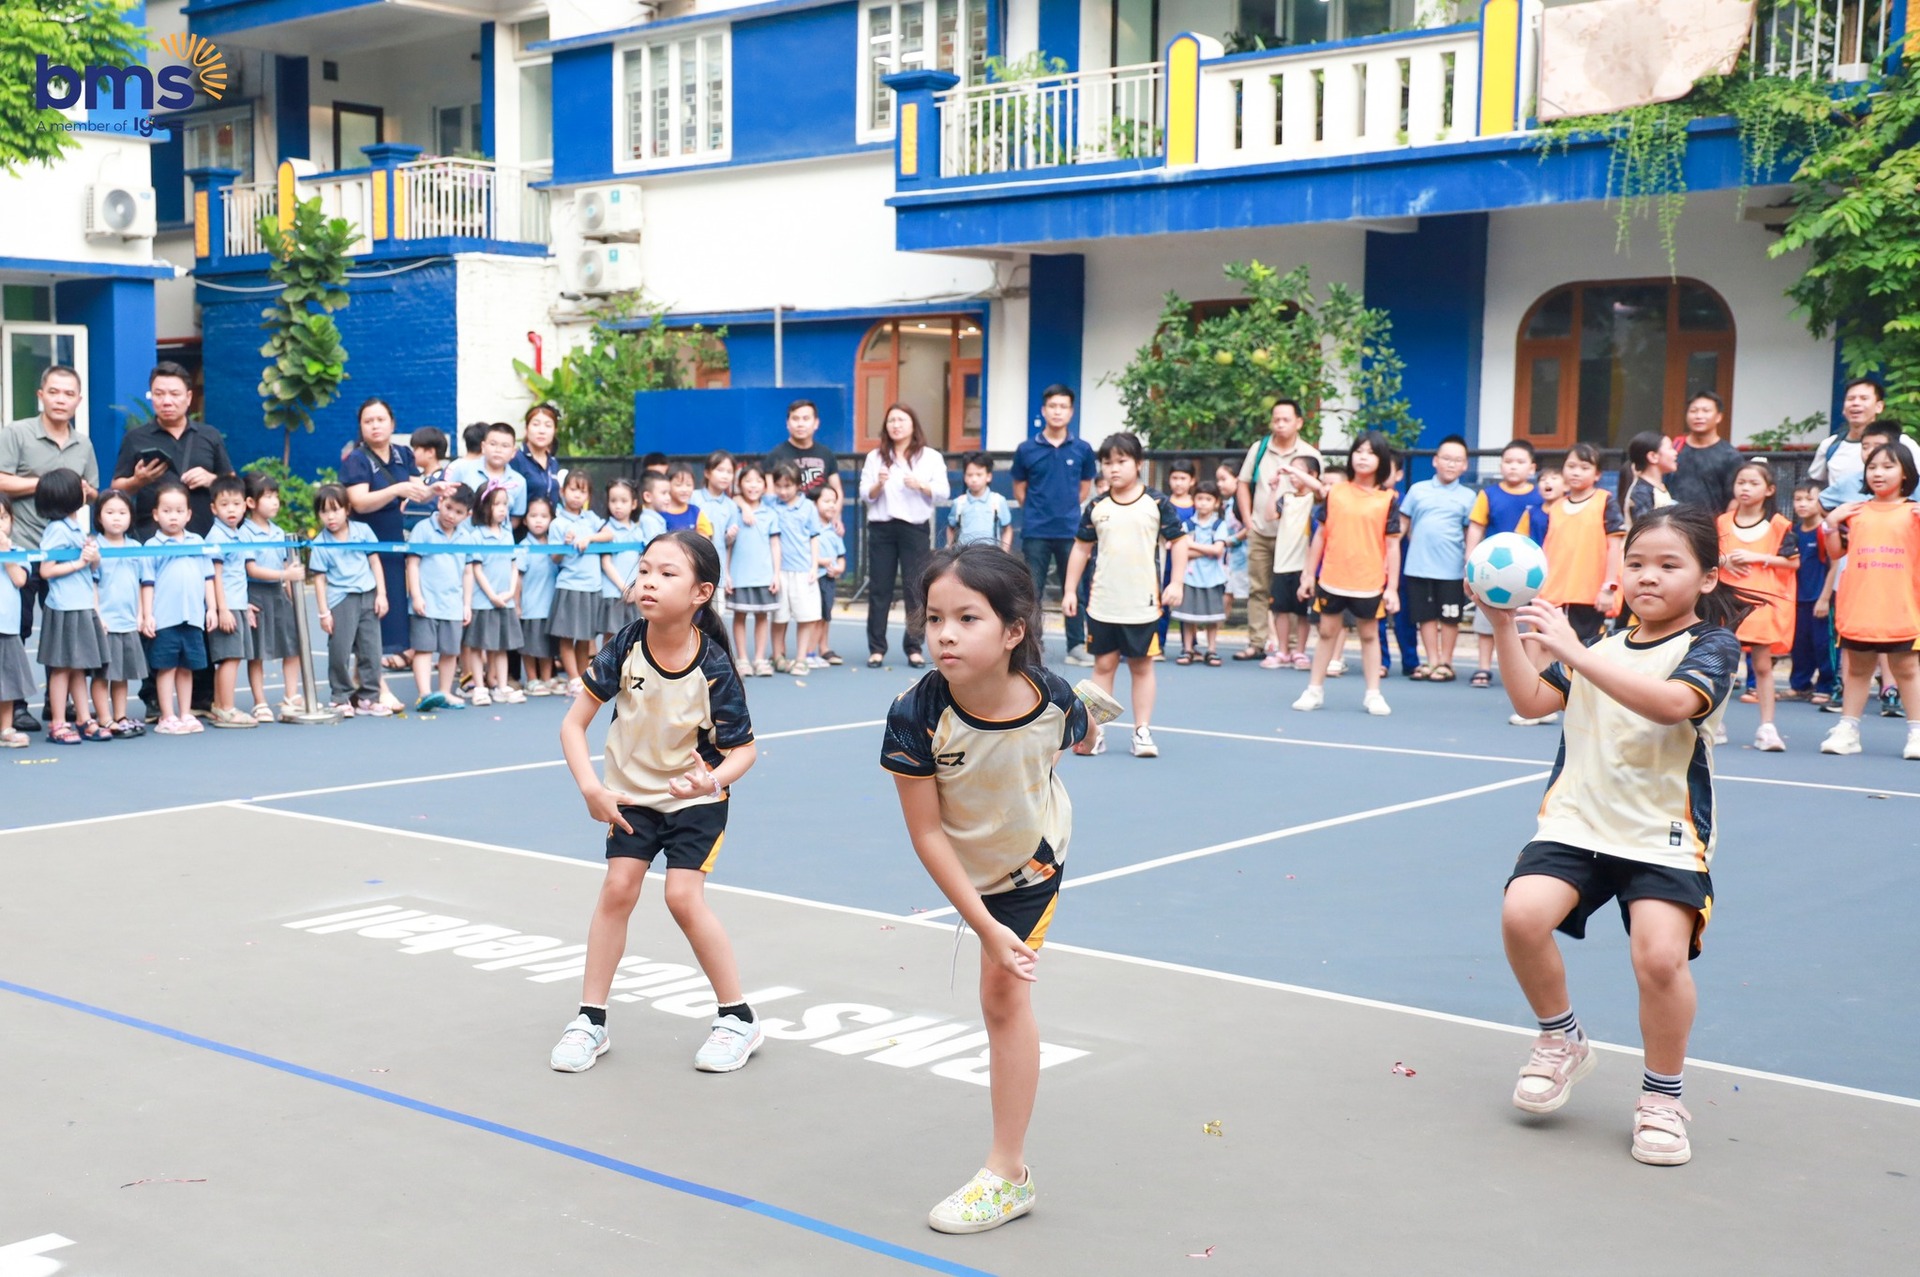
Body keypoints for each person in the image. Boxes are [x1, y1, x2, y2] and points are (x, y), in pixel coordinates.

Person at [1489, 505, 1747, 1167]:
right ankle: (1561, 1039)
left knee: (1659, 959)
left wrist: (1572, 651)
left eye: (1668, 564)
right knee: (1522, 915)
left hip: (1661, 833)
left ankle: (1662, 1097)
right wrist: (1501, 623)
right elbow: (1530, 702)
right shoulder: (1601, 647)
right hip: (1578, 820)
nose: (1647, 576)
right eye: (1635, 563)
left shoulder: (1711, 648)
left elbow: (1671, 705)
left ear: (1707, 577)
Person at [881, 543, 1090, 1234]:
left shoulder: (1053, 698)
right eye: (935, 617)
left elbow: (1075, 734)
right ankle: (1008, 1173)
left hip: (1031, 864)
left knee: (1002, 996)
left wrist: (1088, 729)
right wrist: (982, 924)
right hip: (963, 862)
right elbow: (927, 833)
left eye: (967, 618)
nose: (944, 633)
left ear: (1012, 630)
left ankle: (1008, 1174)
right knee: (997, 974)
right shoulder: (915, 713)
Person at [548, 530, 763, 1076]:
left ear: (700, 593)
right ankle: (590, 1020)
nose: (649, 581)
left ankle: (738, 1018)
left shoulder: (713, 666)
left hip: (695, 799)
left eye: (667, 574)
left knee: (682, 898)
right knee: (617, 889)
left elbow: (744, 750)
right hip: (630, 795)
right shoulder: (625, 645)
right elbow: (573, 726)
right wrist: (592, 789)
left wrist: (710, 782)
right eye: (644, 570)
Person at [1063, 431, 1189, 758]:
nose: (1114, 468)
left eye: (1121, 461)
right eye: (1107, 463)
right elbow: (1080, 549)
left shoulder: (1157, 503)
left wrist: (1176, 583)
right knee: (1103, 665)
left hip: (1142, 604)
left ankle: (1142, 731)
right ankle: (1096, 732)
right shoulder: (1097, 506)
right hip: (1103, 602)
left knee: (1141, 666)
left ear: (1138, 463)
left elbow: (1179, 542)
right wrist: (1069, 590)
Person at [0, 363, 99, 731]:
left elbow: (92, 491)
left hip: (67, 553)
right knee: (19, 629)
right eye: (53, 392)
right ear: (40, 395)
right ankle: (16, 705)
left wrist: (83, 492)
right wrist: (48, 484)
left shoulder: (83, 443)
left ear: (78, 400)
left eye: (68, 393)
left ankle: (59, 705)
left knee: (66, 631)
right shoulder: (17, 432)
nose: (60, 399)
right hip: (24, 549)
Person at [1818, 443, 1920, 758]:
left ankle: (1916, 732)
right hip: (1860, 604)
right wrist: (1830, 523)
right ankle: (1848, 729)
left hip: (1902, 606)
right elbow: (1836, 552)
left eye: (1888, 466)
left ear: (1905, 473)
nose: (1878, 473)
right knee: (1858, 668)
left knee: (1907, 668)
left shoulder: (1914, 513)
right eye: (1872, 467)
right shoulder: (1854, 512)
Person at [1291, 432, 1402, 717]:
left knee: (1369, 635)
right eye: (1359, 451)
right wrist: (1308, 575)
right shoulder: (1335, 493)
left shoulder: (1387, 499)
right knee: (1327, 632)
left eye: (1371, 452)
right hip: (1332, 578)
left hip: (1369, 581)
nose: (1363, 457)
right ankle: (1314, 689)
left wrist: (1392, 588)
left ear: (1381, 460)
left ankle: (1373, 694)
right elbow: (1320, 536)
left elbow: (1392, 546)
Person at [1012, 385, 1098, 666]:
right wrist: (1037, 511)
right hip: (1036, 530)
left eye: (1063, 406)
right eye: (1052, 406)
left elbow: (1084, 488)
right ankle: (1032, 647)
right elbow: (1020, 489)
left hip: (1071, 531)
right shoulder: (1026, 449)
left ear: (1071, 412)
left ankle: (1076, 645)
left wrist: (1065, 510)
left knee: (1075, 590)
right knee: (1031, 591)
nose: (1057, 411)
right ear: (1043, 410)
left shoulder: (1082, 449)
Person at [1234, 400, 1324, 660]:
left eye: (1286, 419)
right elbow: (1242, 483)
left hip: (1297, 539)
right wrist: (1249, 521)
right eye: (1276, 419)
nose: (1280, 424)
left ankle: (1292, 646)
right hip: (1262, 531)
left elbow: (1319, 491)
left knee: (1295, 592)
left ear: (1299, 422)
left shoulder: (1310, 453)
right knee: (1258, 588)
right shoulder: (1259, 449)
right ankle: (1257, 642)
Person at [861, 403, 949, 668]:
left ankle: (914, 647)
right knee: (880, 588)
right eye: (891, 421)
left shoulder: (930, 457)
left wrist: (921, 485)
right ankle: (877, 648)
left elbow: (943, 492)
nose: (896, 425)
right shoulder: (876, 457)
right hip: (882, 528)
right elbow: (866, 494)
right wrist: (879, 483)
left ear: (913, 424)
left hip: (914, 528)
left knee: (915, 588)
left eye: (901, 420)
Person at [341, 398, 428, 664]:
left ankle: (367, 674)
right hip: (364, 541)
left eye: (381, 420)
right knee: (368, 606)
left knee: (391, 605)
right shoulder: (356, 459)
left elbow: (418, 491)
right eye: (368, 421)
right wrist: (395, 490)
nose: (375, 425)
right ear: (361, 426)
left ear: (392, 423)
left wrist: (434, 491)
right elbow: (359, 502)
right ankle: (370, 676)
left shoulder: (404, 454)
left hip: (392, 540)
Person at [1718, 462, 1796, 752]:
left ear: (1769, 490)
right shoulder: (1722, 522)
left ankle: (1767, 727)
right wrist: (1724, 561)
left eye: (1753, 483)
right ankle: (1715, 723)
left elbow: (1792, 561)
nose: (1746, 488)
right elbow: (1706, 556)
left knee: (1763, 665)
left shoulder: (1778, 525)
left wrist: (1756, 558)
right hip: (1727, 603)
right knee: (1722, 666)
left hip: (1761, 602)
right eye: (1741, 482)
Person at [109, 362, 231, 539]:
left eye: (174, 394)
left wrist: (211, 479)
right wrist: (137, 481)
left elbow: (233, 484)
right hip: (151, 538)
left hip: (203, 536)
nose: (166, 401)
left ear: (188, 397)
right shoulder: (134, 438)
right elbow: (116, 489)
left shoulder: (210, 435)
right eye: (159, 394)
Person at [33, 469, 111, 743]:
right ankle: (58, 723)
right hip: (64, 607)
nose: (85, 487)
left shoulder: (77, 527)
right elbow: (46, 570)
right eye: (79, 485)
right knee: (61, 667)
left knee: (79, 666)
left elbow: (91, 568)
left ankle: (83, 718)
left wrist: (92, 558)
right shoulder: (57, 529)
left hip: (81, 604)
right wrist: (79, 562)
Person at [1466, 441, 1549, 689]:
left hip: (1528, 573)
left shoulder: (1539, 496)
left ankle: (1526, 670)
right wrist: (1470, 558)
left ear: (1532, 468)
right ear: (1500, 465)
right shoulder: (1489, 494)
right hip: (1491, 570)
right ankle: (1483, 667)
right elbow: (1476, 527)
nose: (1513, 466)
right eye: (1508, 461)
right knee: (1485, 622)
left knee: (1525, 624)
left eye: (1520, 462)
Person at [138, 480, 217, 735]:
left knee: (187, 668)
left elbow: (208, 578)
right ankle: (167, 715)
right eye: (167, 511)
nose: (173, 516)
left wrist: (211, 609)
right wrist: (147, 615)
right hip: (165, 619)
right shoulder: (151, 547)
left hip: (192, 618)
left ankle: (185, 713)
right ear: (155, 514)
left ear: (189, 514)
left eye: (179, 511)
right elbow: (147, 583)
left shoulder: (197, 542)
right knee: (166, 667)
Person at [308, 483, 389, 718]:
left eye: (335, 510)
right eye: (324, 511)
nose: (330, 517)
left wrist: (381, 594)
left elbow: (375, 562)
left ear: (347, 509)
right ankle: (340, 696)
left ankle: (369, 697)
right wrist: (324, 612)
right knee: (340, 650)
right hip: (341, 599)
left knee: (371, 649)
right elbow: (319, 579)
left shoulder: (363, 531)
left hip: (368, 595)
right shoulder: (320, 543)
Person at [1400, 435, 1476, 683]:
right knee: (1425, 616)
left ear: (1465, 465)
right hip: (1418, 566)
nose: (1451, 464)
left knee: (1450, 616)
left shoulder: (1468, 496)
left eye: (1457, 460)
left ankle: (1446, 662)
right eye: (1446, 458)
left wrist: (1468, 563)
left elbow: (1470, 532)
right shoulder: (1417, 490)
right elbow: (1404, 525)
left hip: (1452, 568)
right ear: (1435, 461)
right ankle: (1432, 660)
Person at [1539, 443, 1625, 645]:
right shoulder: (1556, 507)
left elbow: (1614, 548)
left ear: (1597, 474)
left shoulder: (1605, 501)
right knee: (1550, 648)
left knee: (1584, 648)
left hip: (1589, 594)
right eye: (1571, 466)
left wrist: (1609, 588)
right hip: (1554, 593)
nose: (1576, 472)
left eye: (1584, 468)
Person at [407, 483, 477, 713]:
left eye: (459, 512)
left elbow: (468, 572)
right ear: (440, 502)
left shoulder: (466, 537)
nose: (451, 515)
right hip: (426, 602)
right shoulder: (422, 529)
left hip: (452, 604)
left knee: (450, 651)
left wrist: (466, 604)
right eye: (448, 507)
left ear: (467, 515)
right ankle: (424, 694)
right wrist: (416, 595)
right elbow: (413, 564)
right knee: (424, 649)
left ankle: (445, 692)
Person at [242, 471, 305, 721]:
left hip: (278, 595)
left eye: (276, 496)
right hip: (256, 595)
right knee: (257, 653)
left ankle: (291, 696)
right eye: (267, 497)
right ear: (251, 502)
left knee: (292, 646)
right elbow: (252, 569)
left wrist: (293, 598)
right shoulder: (244, 533)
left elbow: (287, 568)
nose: (275, 502)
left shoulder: (279, 533)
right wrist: (284, 574)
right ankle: (260, 702)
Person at [1808, 378, 1920, 510]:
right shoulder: (1830, 445)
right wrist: (1834, 517)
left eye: (1863, 398)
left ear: (1879, 406)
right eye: (1850, 399)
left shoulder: (1902, 442)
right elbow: (1814, 487)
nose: (1856, 403)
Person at [204, 474, 259, 729]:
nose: (231, 510)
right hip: (226, 606)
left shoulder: (238, 534)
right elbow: (216, 575)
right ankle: (226, 708)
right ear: (214, 508)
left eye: (236, 504)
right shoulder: (217, 536)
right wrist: (222, 609)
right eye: (224, 505)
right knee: (230, 658)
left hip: (237, 603)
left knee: (231, 657)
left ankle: (219, 707)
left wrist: (243, 605)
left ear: (245, 505)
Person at [93, 489, 148, 737]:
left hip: (128, 622)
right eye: (110, 512)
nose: (116, 517)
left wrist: (141, 614)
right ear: (99, 517)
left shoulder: (136, 547)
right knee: (102, 675)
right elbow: (92, 585)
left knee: (121, 674)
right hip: (106, 623)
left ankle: (121, 715)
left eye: (122, 512)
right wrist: (98, 617)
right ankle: (104, 718)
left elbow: (142, 583)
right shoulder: (95, 547)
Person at [549, 471, 609, 695]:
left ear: (588, 496)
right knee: (567, 635)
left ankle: (583, 677)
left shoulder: (591, 518)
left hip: (592, 586)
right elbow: (554, 558)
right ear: (562, 491)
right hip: (569, 585)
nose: (577, 495)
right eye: (573, 489)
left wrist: (589, 538)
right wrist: (565, 546)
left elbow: (609, 535)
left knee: (585, 635)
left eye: (582, 491)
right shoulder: (558, 523)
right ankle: (572, 678)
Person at [465, 485, 524, 705]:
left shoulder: (508, 534)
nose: (502, 509)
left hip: (505, 601)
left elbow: (513, 566)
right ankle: (479, 688)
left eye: (505, 504)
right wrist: (492, 596)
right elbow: (476, 569)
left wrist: (510, 592)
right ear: (484, 506)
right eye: (496, 504)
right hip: (483, 602)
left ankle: (501, 686)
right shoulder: (476, 536)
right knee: (477, 646)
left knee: (501, 646)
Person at [1263, 455, 1322, 671]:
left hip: (1303, 564)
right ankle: (1283, 650)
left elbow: (1319, 488)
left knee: (1302, 612)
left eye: (1298, 471)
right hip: (1282, 562)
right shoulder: (1286, 497)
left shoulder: (1315, 499)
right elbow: (1269, 515)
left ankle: (1300, 651)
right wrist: (1273, 490)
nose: (1292, 476)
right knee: (1281, 609)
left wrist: (1292, 469)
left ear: (1312, 474)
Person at [768, 461, 824, 675]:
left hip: (803, 570)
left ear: (798, 485)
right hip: (778, 571)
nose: (783, 491)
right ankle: (778, 656)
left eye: (788, 486)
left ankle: (801, 658)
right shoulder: (770, 503)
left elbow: (814, 538)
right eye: (779, 486)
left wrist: (814, 566)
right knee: (779, 617)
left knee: (805, 616)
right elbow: (742, 499)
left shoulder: (808, 507)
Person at [727, 462, 780, 676]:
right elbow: (729, 545)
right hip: (739, 575)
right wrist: (727, 573)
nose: (753, 485)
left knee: (762, 616)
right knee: (739, 615)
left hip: (763, 575)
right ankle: (742, 659)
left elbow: (775, 545)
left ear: (765, 486)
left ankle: (759, 658)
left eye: (758, 481)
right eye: (748, 481)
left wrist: (776, 574)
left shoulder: (770, 513)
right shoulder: (734, 510)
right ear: (740, 484)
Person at [1786, 483, 1836, 705]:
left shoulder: (1826, 530)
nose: (1802, 504)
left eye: (1809, 499)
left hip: (1820, 598)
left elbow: (1835, 566)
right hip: (1798, 599)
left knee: (1823, 644)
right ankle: (1800, 684)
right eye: (1798, 499)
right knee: (1800, 645)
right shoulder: (1794, 532)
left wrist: (1825, 598)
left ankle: (1828, 685)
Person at [1172, 480, 1230, 665]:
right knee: (1189, 616)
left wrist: (1192, 545)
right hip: (1190, 577)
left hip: (1213, 578)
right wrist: (1206, 549)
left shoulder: (1219, 525)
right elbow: (1181, 551)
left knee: (1212, 617)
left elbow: (1218, 550)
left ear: (1216, 502)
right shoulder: (1187, 524)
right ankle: (1187, 649)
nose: (1203, 503)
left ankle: (1212, 650)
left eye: (1208, 499)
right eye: (1200, 498)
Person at [1667, 391, 1742, 513]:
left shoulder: (1730, 455)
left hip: (1710, 522)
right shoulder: (1674, 449)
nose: (1698, 416)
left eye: (1706, 411)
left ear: (1719, 417)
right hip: (1674, 520)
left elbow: (1735, 498)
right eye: (1693, 411)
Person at [518, 495, 562, 696]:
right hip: (531, 606)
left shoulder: (555, 545)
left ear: (551, 519)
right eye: (533, 515)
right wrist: (517, 604)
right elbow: (518, 578)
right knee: (529, 646)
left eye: (544, 516)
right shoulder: (523, 547)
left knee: (547, 646)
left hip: (550, 606)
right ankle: (531, 679)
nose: (538, 520)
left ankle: (546, 678)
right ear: (525, 520)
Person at [765, 399, 843, 504]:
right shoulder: (775, 455)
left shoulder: (826, 454)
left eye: (806, 419)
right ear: (787, 423)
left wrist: (835, 512)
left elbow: (837, 491)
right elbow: (770, 494)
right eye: (795, 419)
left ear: (816, 423)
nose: (800, 424)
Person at [0, 496, 31, 747]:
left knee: (7, 681)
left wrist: (6, 553)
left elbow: (20, 580)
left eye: (3, 517)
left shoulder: (18, 552)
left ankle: (6, 728)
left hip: (7, 628)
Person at [599, 479, 644, 643]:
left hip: (635, 593)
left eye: (623, 501)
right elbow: (606, 563)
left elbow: (642, 563)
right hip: (614, 593)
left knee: (634, 637)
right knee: (611, 638)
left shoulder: (638, 531)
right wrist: (625, 588)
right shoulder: (606, 530)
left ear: (634, 504)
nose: (618, 506)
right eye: (613, 501)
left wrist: (636, 588)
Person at [510, 402, 565, 517]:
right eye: (536, 424)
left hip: (550, 526)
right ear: (526, 428)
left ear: (555, 431)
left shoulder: (553, 463)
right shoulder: (516, 459)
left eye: (548, 426)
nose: (542, 431)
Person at [950, 452, 1013, 550]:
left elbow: (1007, 529)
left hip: (990, 554)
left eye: (979, 474)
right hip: (964, 554)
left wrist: (1004, 551)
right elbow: (951, 528)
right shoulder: (959, 503)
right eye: (969, 475)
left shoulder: (998, 501)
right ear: (964, 477)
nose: (974, 479)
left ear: (989, 476)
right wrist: (951, 549)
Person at [813, 484, 847, 666]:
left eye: (834, 501)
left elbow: (841, 556)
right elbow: (806, 554)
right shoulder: (810, 527)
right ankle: (810, 651)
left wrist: (839, 568)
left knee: (826, 614)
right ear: (815, 503)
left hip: (828, 579)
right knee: (813, 616)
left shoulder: (835, 530)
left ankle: (823, 648)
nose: (831, 505)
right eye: (826, 501)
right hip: (814, 577)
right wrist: (820, 561)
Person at [400, 427, 450, 532]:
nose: (412, 453)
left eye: (415, 449)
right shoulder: (416, 478)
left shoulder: (442, 480)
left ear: (430, 452)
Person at [1619, 431, 1677, 523]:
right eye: (1670, 448)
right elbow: (1646, 528)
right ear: (1653, 456)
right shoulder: (1641, 492)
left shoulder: (1657, 487)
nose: (1675, 453)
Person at [659, 463, 713, 535]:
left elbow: (705, 537)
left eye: (688, 485)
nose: (684, 490)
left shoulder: (695, 512)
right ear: (667, 485)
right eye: (678, 485)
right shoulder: (660, 512)